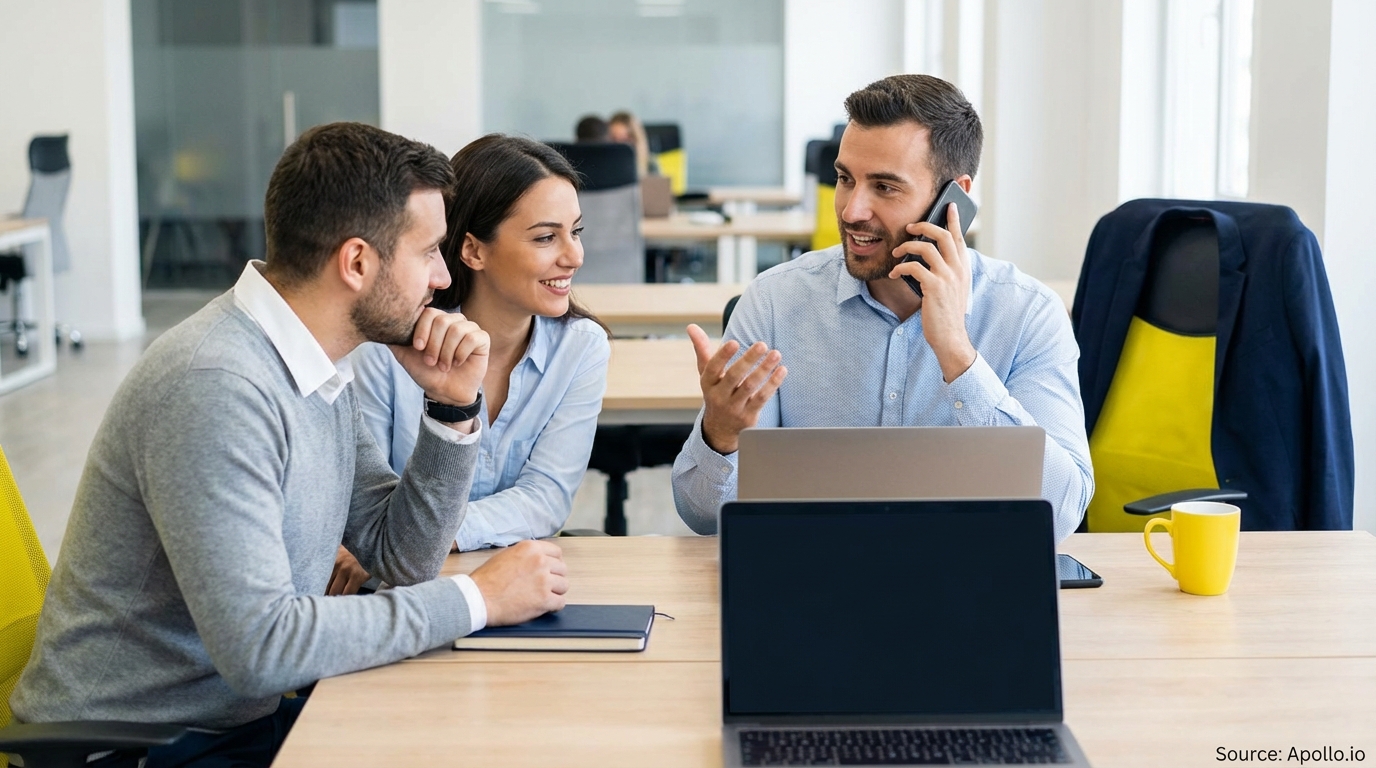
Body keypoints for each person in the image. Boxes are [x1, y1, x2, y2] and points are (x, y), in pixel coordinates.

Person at [9, 123, 568, 768]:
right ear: (357, 262)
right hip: (138, 747)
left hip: (231, 722)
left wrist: (450, 410)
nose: (443, 279)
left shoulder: (313, 365)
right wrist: (477, 599)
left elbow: (399, 556)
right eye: (429, 252)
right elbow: (262, 647)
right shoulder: (215, 385)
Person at [671, 75, 1093, 541]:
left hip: (965, 582)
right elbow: (702, 517)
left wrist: (958, 355)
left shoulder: (1028, 314)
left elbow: (1061, 515)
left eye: (885, 187)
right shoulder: (775, 301)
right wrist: (722, 436)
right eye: (845, 179)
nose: (852, 211)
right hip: (812, 581)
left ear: (955, 197)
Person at [328, 135, 611, 593]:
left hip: (513, 584)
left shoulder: (581, 348)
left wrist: (413, 538)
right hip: (399, 591)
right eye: (545, 237)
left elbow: (545, 500)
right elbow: (361, 509)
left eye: (575, 232)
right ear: (473, 250)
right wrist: (387, 542)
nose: (574, 255)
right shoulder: (388, 350)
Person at [608, 110, 654, 178]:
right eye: (614, 139)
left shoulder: (652, 164)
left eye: (626, 140)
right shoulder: (603, 167)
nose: (620, 146)